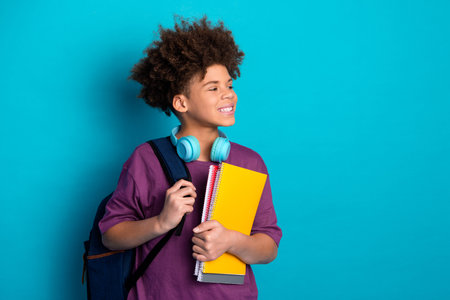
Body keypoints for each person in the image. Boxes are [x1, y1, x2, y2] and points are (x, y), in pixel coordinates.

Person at [99, 16, 282, 300]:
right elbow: (111, 235)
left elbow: (268, 247)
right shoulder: (146, 159)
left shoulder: (250, 162)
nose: (228, 96)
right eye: (213, 88)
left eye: (229, 85)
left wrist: (231, 241)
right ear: (181, 102)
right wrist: (161, 222)